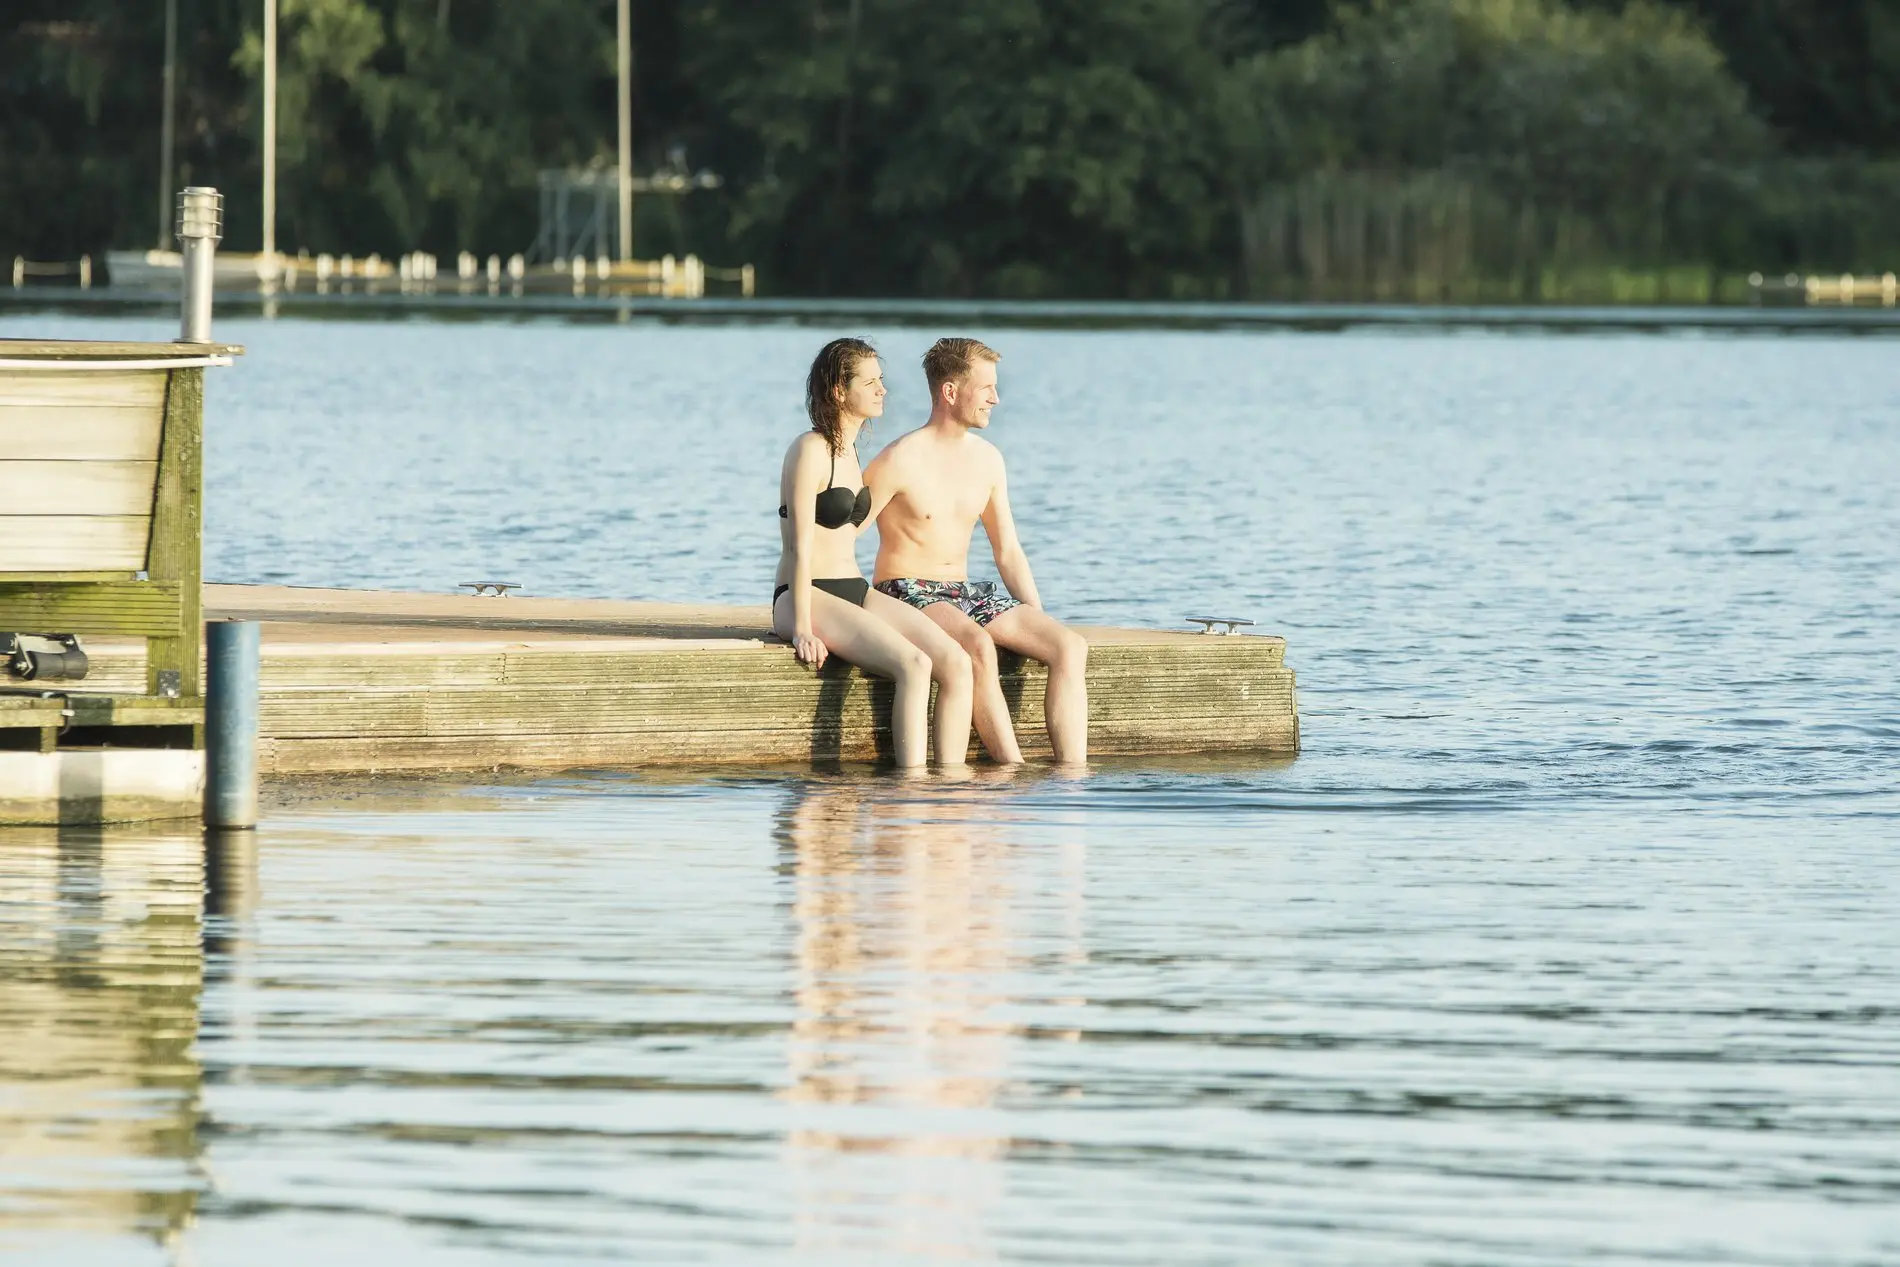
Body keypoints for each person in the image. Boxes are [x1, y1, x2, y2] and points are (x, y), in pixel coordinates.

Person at [864, 338, 1089, 765]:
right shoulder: (898, 459)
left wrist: (1035, 613)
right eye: (986, 388)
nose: (996, 398)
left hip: (966, 591)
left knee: (1069, 646)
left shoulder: (988, 460)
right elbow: (843, 535)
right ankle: (1013, 769)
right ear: (950, 392)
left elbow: (1007, 549)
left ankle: (1072, 776)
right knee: (978, 645)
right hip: (907, 590)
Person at [774, 338, 974, 769]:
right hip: (804, 592)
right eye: (870, 382)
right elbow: (798, 547)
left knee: (956, 661)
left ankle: (951, 784)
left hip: (854, 589)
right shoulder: (811, 449)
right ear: (839, 392)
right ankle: (912, 787)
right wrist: (802, 628)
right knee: (914, 664)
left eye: (881, 380)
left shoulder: (850, 452)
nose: (883, 390)